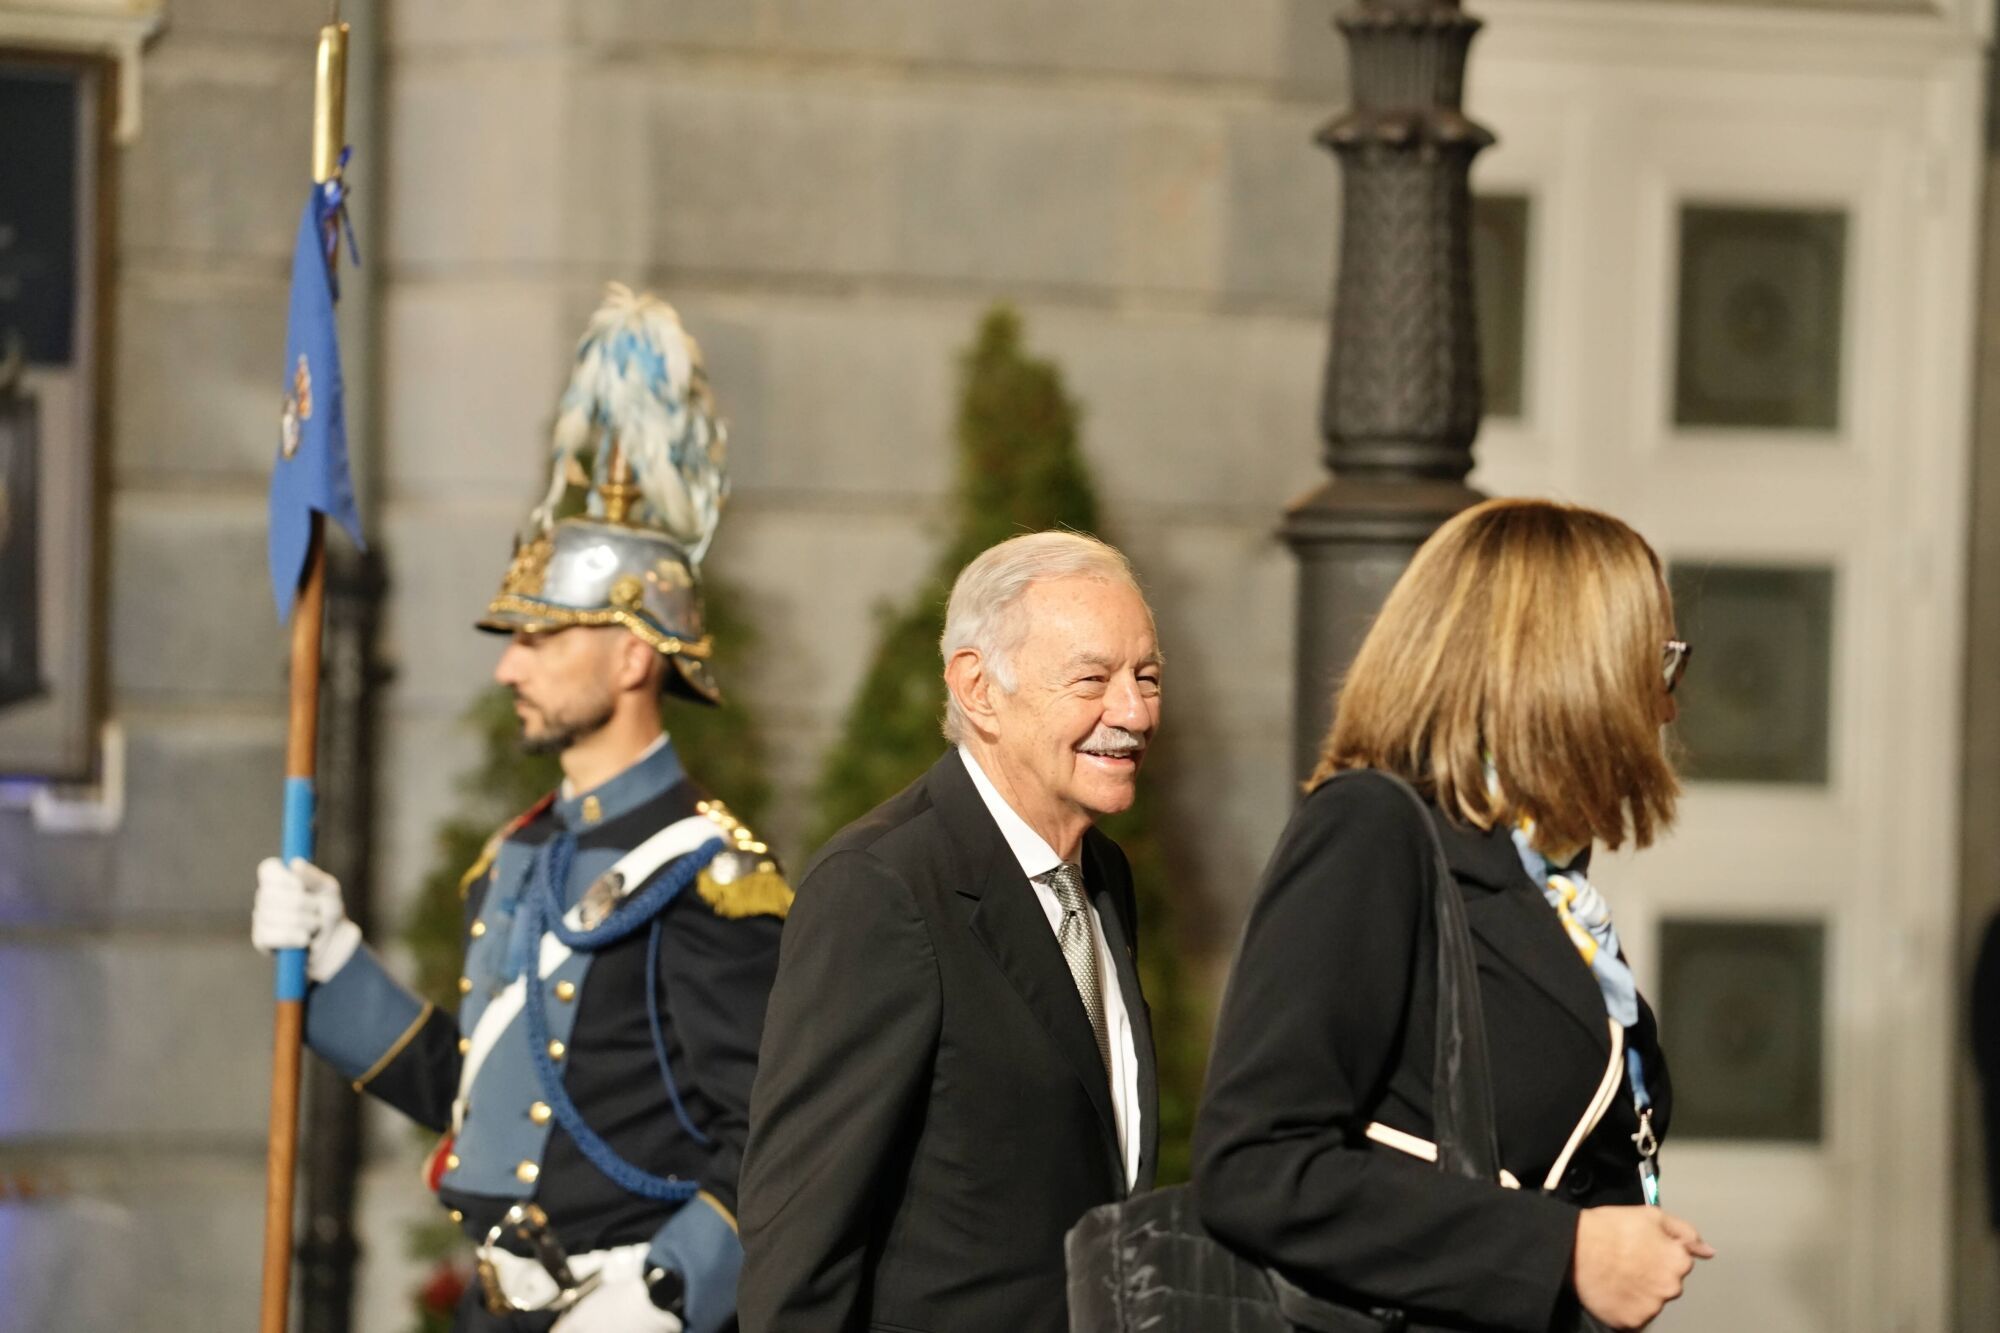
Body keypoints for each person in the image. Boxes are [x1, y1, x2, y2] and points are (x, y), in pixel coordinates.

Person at [251, 286, 788, 1333]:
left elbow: (779, 1132)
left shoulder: (708, 877)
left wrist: (670, 1289)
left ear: (634, 655)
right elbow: (481, 1096)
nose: (507, 669)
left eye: (541, 639)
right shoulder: (521, 854)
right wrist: (330, 968)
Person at [1193, 497, 1714, 1333]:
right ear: (1563, 665)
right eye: (1656, 661)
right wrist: (1563, 1251)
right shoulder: (1373, 832)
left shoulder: (1545, 876)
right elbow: (1256, 1162)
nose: (1666, 705)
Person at [736, 531, 1162, 1333]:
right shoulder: (882, 889)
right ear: (978, 688)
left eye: (1146, 676)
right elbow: (801, 1237)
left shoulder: (1103, 876)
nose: (1133, 712)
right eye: (1093, 679)